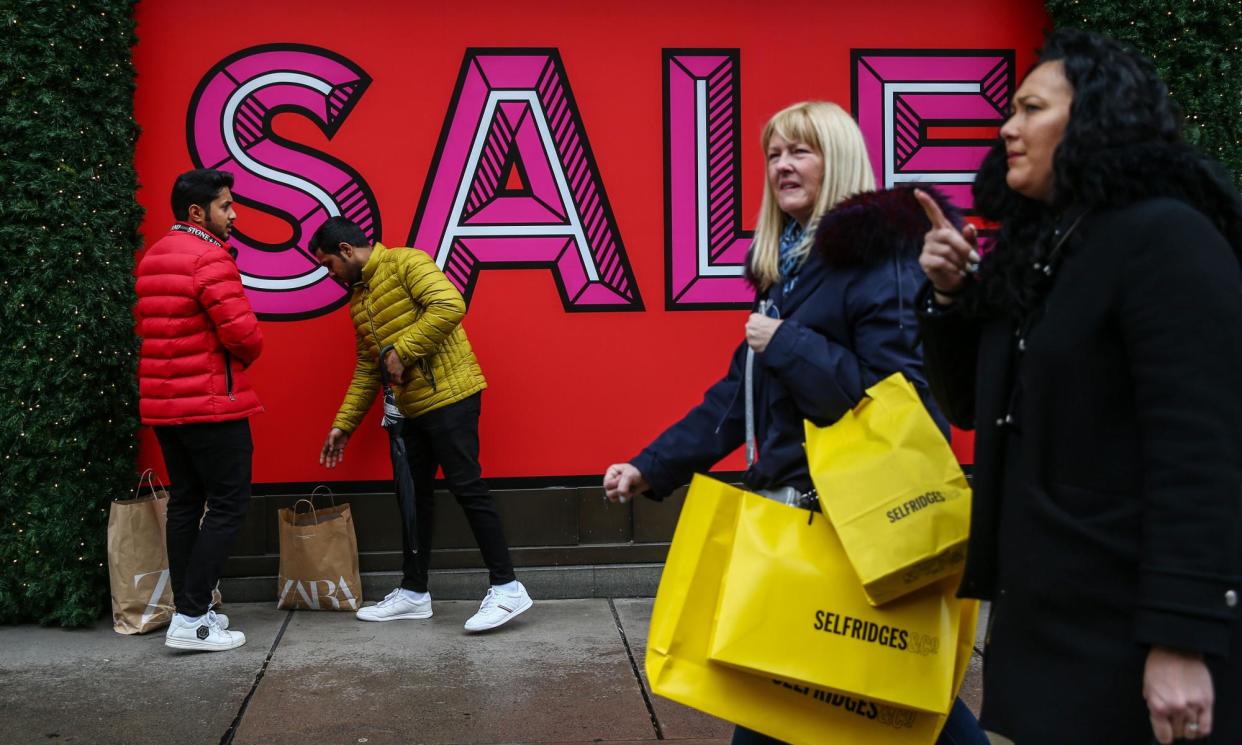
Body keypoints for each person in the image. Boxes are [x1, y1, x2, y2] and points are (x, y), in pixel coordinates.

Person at [603, 101, 986, 745]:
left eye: (800, 151)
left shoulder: (879, 261)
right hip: (807, 517)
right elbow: (737, 399)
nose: (782, 165)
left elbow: (903, 403)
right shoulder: (791, 271)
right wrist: (650, 466)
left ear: (836, 159)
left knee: (870, 697)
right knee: (832, 694)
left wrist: (785, 344)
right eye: (774, 154)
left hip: (854, 525)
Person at [916, 29, 1242, 745]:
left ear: (1096, 119)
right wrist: (947, 297)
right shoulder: (1044, 247)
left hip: (1129, 630)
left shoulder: (1166, 237)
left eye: (1032, 107)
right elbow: (973, 404)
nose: (1007, 127)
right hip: (1048, 625)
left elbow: (1201, 449)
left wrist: (1182, 638)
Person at [309, 216, 532, 632]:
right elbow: (366, 366)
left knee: (468, 487)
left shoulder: (407, 262)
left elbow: (450, 305)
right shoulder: (358, 298)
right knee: (413, 498)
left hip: (452, 395)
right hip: (410, 408)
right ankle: (414, 593)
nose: (329, 274)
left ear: (345, 250)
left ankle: (508, 587)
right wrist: (345, 424)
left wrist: (402, 352)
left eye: (328, 264)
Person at [136, 168, 262, 652]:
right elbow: (243, 335)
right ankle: (192, 617)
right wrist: (248, 350)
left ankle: (189, 609)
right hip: (212, 405)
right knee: (228, 505)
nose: (234, 213)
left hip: (166, 407)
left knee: (187, 502)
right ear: (198, 212)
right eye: (225, 205)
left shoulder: (153, 258)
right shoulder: (209, 257)